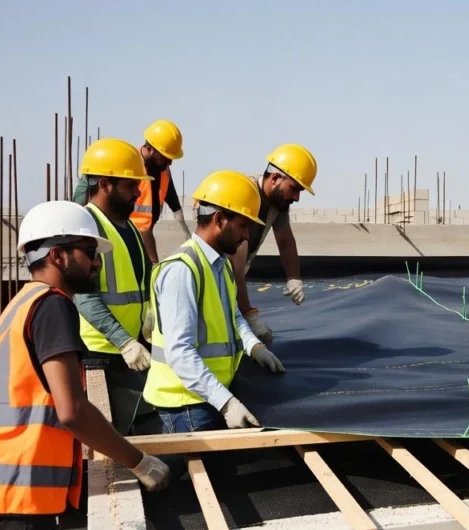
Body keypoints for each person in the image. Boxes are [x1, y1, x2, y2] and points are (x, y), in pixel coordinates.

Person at [0, 200, 170, 530]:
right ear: (57, 255)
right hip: (13, 506)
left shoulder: (19, 304)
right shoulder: (52, 306)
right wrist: (139, 461)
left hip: (1, 502)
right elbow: (73, 410)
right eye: (89, 253)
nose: (97, 263)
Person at [143, 170, 287, 438]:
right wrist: (226, 402)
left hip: (207, 396)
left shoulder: (220, 265)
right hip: (185, 405)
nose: (246, 236)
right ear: (220, 219)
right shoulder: (183, 270)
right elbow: (180, 352)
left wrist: (254, 347)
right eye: (243, 225)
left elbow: (232, 315)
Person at [73, 138, 155, 435]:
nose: (137, 192)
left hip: (129, 350)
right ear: (105, 184)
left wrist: (150, 313)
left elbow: (142, 280)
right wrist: (124, 341)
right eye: (130, 185)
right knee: (108, 436)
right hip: (101, 356)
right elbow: (84, 296)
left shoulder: (129, 226)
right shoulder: (88, 226)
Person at [230, 144, 318, 342]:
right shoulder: (244, 194)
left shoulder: (279, 204)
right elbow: (234, 265)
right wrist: (249, 315)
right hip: (218, 280)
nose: (296, 198)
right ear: (276, 178)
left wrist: (294, 277)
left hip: (232, 281)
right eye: (294, 189)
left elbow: (285, 240)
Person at [74, 119, 191, 263]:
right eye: (166, 157)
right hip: (123, 232)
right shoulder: (129, 166)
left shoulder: (163, 169)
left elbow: (171, 196)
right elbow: (142, 225)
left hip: (138, 232)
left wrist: (185, 229)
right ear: (151, 148)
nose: (170, 162)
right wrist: (153, 262)